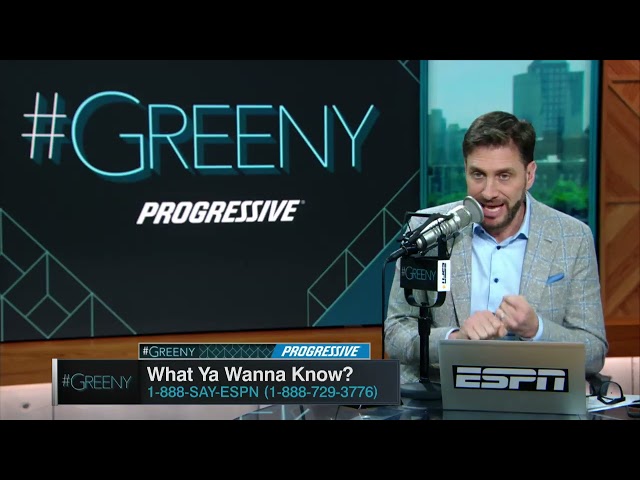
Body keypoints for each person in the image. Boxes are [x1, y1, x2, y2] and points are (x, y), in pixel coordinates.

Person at [384, 110, 608, 385]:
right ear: (465, 170)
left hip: (538, 399)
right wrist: (455, 339)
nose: (489, 192)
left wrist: (536, 330)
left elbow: (594, 352)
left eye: (504, 176)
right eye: (478, 175)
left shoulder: (572, 237)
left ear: (529, 175)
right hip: (443, 399)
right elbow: (395, 332)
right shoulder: (427, 229)